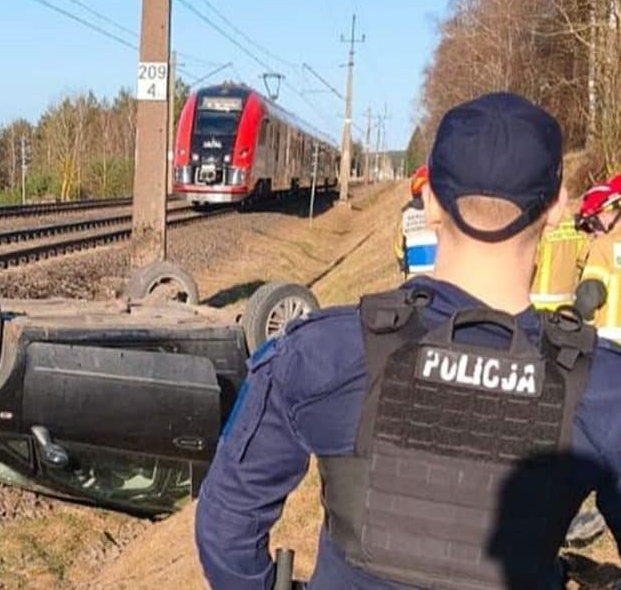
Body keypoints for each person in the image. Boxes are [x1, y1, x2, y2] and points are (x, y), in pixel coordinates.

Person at [196, 92, 621, 590]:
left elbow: (225, 530)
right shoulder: (602, 388)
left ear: (431, 201)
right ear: (556, 208)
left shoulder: (322, 354)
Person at [577, 174, 621, 341]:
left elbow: (589, 297)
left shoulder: (603, 245)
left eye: (592, 223)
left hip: (609, 346)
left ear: (604, 214)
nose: (592, 232)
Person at [393, 165, 438, 278]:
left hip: (413, 278)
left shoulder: (405, 215)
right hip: (439, 276)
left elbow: (398, 248)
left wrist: (403, 265)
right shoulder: (442, 213)